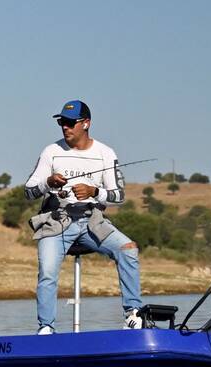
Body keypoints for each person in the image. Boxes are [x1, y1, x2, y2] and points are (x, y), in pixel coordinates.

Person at [24, 100, 142, 334]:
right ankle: (46, 328)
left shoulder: (105, 153)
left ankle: (133, 315)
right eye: (61, 123)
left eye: (69, 123)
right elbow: (28, 191)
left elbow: (119, 195)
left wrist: (94, 192)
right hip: (56, 222)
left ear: (85, 123)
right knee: (47, 271)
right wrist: (48, 183)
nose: (65, 127)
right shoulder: (52, 152)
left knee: (128, 248)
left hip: (92, 222)